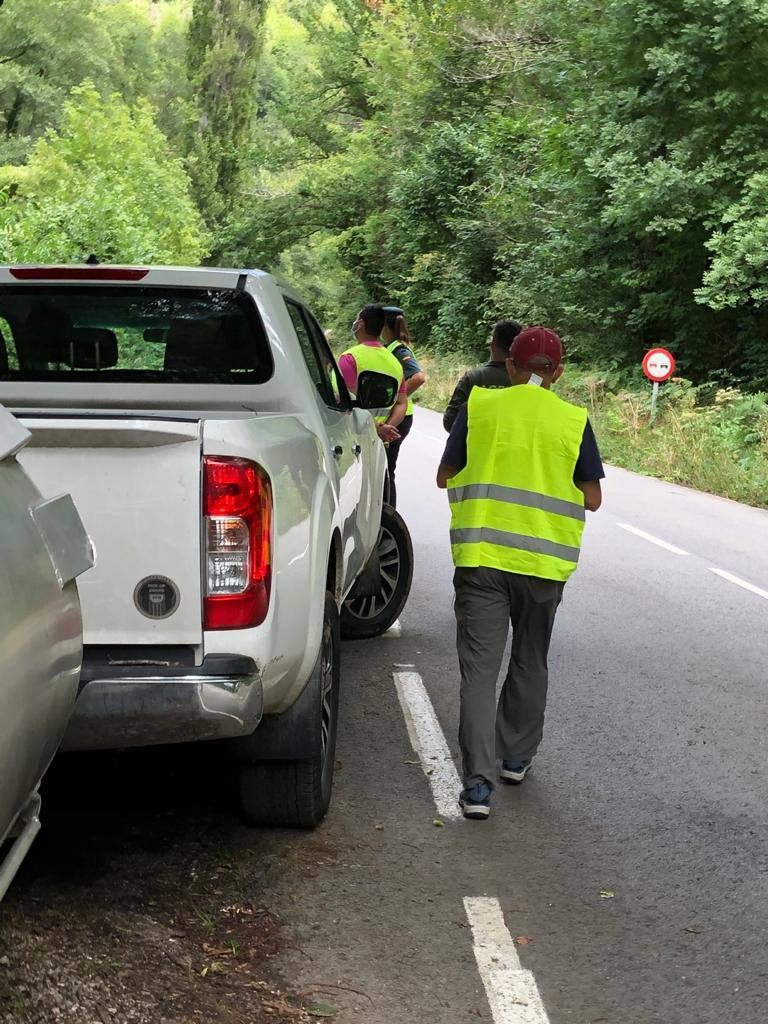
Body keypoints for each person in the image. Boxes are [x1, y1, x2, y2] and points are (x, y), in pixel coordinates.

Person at [436, 326, 604, 820]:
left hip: (482, 559)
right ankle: (515, 759)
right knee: (531, 659)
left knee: (479, 672)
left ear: (509, 365)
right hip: (543, 566)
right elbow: (592, 497)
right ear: (559, 372)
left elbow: (445, 474)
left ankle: (477, 787)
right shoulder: (574, 420)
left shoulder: (482, 407)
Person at [338, 304, 408, 445]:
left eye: (356, 319)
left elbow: (352, 401)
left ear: (360, 324)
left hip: (352, 437)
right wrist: (385, 429)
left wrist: (377, 428)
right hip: (377, 441)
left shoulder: (350, 358)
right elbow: (402, 403)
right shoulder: (394, 362)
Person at [380, 306, 426, 507]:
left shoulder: (399, 349)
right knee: (385, 467)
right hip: (397, 415)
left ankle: (388, 514)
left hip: (400, 417)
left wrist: (400, 396)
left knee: (387, 469)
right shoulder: (390, 346)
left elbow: (418, 376)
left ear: (384, 325)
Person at [443, 319, 522, 432]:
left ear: (492, 346)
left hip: (473, 447)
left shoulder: (473, 378)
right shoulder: (526, 381)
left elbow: (450, 421)